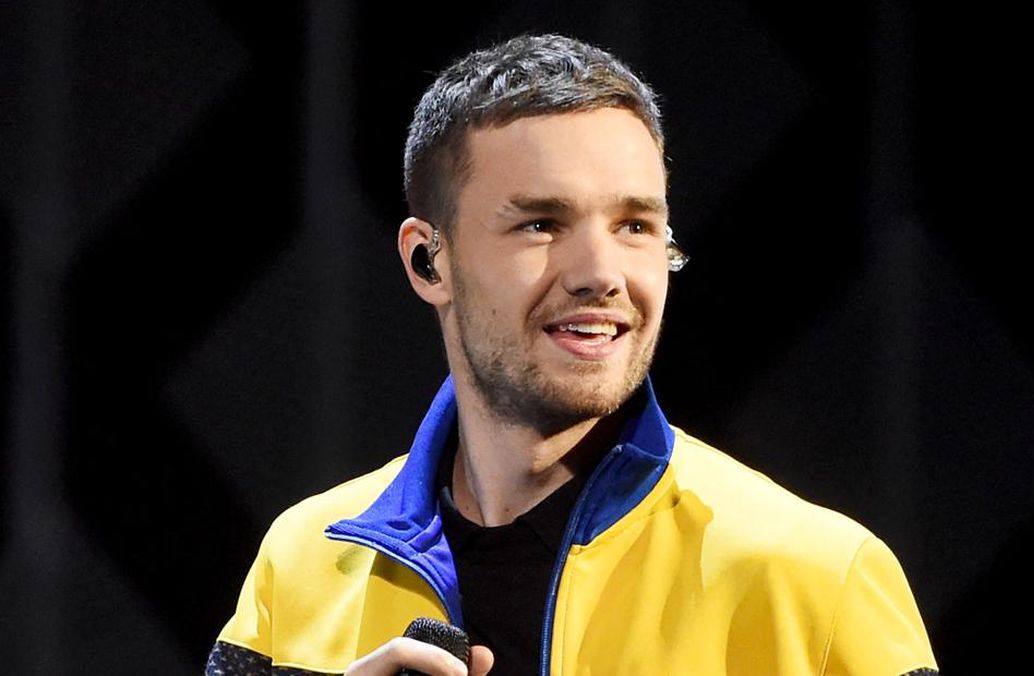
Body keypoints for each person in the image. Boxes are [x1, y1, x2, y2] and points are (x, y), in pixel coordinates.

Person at [206, 33, 939, 676]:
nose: (600, 273)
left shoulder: (819, 582)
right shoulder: (299, 566)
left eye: (635, 226)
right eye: (541, 223)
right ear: (429, 261)